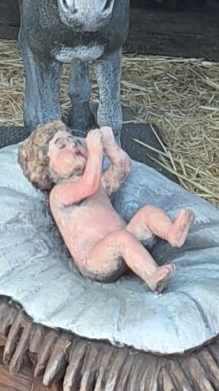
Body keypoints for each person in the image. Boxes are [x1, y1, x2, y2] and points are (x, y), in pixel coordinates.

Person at [17, 119, 192, 289]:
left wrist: (110, 145)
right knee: (121, 239)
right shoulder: (59, 193)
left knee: (146, 213)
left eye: (74, 140)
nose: (73, 144)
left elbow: (122, 168)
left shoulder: (97, 182)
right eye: (62, 145)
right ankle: (152, 275)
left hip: (127, 240)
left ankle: (172, 233)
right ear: (46, 168)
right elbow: (88, 186)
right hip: (96, 259)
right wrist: (95, 154)